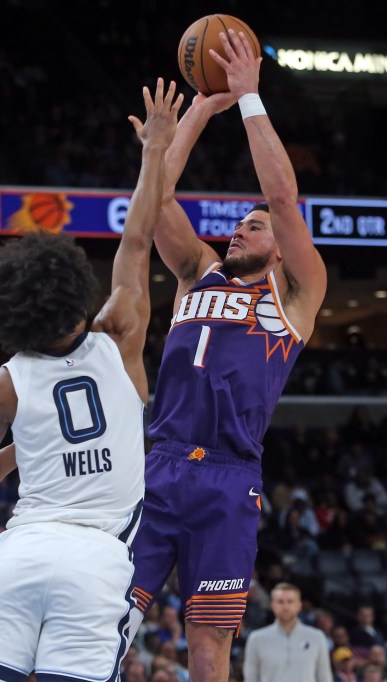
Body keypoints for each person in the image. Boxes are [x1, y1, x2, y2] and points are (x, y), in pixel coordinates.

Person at [0, 79, 182, 682]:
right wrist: (155, 147)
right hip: (98, 559)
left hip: (20, 553)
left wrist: (22, 453)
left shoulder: (4, 383)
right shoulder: (120, 332)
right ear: (74, 290)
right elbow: (136, 238)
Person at [127, 30, 327, 682]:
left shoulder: (295, 294)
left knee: (208, 647)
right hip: (155, 465)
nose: (242, 224)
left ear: (280, 247)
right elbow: (153, 204)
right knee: (106, 617)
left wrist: (247, 101)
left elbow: (283, 199)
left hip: (227, 477)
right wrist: (184, 124)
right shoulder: (195, 273)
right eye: (238, 221)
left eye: (255, 224)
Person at [242, 583, 332, 682]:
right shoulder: (256, 639)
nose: (285, 607)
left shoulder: (316, 637)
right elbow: (250, 679)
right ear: (273, 605)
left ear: (299, 605)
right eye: (280, 602)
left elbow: (325, 678)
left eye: (290, 602)